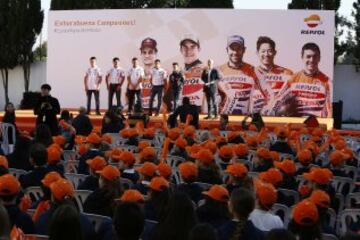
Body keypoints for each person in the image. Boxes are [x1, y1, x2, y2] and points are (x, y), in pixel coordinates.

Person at [271, 42, 331, 117]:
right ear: (302, 57)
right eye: (308, 56)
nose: (312, 60)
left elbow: (330, 112)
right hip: (295, 123)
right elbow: (276, 101)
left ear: (319, 58)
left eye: (315, 56)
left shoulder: (327, 82)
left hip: (315, 125)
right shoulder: (293, 79)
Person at [218, 35, 264, 115]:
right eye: (232, 49)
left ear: (244, 50)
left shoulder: (254, 71)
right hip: (223, 120)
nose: (235, 52)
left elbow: (264, 97)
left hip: (245, 121)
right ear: (227, 50)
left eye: (239, 48)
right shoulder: (218, 71)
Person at [254, 36, 293, 114]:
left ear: (275, 52)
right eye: (263, 51)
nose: (266, 54)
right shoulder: (252, 74)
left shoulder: (287, 73)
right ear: (257, 53)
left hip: (279, 119)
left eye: (269, 51)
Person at [180, 34, 205, 111]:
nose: (188, 51)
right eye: (185, 47)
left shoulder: (205, 69)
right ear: (181, 50)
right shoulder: (180, 71)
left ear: (199, 49)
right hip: (183, 112)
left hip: (198, 113)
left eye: (192, 47)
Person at [140, 37, 158, 111]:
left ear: (155, 53)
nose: (147, 56)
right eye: (144, 52)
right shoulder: (138, 73)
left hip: (155, 110)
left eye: (150, 52)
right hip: (141, 110)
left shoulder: (161, 72)